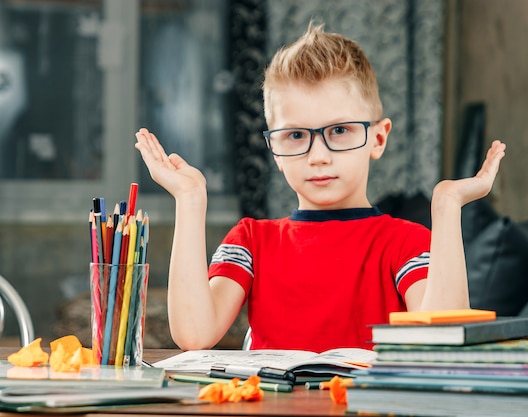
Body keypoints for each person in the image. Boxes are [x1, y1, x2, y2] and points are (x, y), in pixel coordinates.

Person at [134, 23, 506, 353]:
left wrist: (447, 205)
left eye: (339, 131)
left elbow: (442, 339)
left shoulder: (406, 243)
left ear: (378, 138)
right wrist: (189, 199)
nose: (318, 156)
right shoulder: (250, 241)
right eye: (295, 135)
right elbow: (194, 335)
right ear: (274, 151)